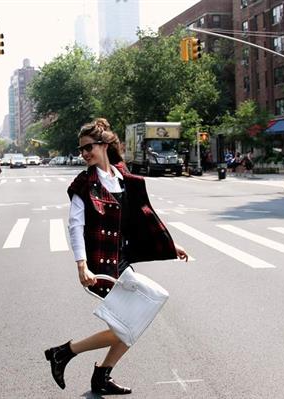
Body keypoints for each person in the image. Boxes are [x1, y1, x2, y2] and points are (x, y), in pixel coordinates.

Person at [44, 118, 189, 395]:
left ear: (105, 145)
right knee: (131, 322)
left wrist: (172, 246)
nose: (84, 153)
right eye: (81, 149)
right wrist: (81, 266)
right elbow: (76, 226)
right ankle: (66, 353)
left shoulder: (122, 176)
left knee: (136, 318)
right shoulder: (84, 184)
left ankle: (95, 371)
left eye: (89, 147)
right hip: (100, 265)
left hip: (120, 260)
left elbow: (144, 217)